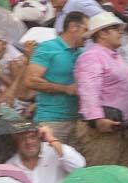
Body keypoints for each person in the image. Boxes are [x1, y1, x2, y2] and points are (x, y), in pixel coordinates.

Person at [75, 13, 128, 166]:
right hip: (103, 130)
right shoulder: (92, 56)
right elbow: (89, 90)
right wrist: (98, 119)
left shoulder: (115, 57)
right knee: (100, 181)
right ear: (102, 33)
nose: (120, 32)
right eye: (116, 29)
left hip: (122, 128)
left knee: (124, 182)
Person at [27, 12, 85, 146]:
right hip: (51, 121)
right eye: (85, 29)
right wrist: (65, 89)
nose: (88, 35)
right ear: (73, 27)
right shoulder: (48, 48)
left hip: (77, 121)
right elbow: (30, 80)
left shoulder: (82, 53)